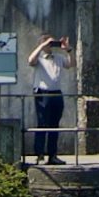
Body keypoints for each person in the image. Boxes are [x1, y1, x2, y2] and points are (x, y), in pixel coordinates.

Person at [28, 34, 70, 162]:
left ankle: (52, 155)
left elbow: (71, 64)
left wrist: (68, 50)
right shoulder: (39, 58)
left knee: (54, 125)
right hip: (42, 93)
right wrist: (41, 46)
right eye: (48, 43)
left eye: (51, 43)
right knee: (42, 124)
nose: (50, 46)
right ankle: (39, 153)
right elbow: (30, 60)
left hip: (56, 93)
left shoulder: (58, 57)